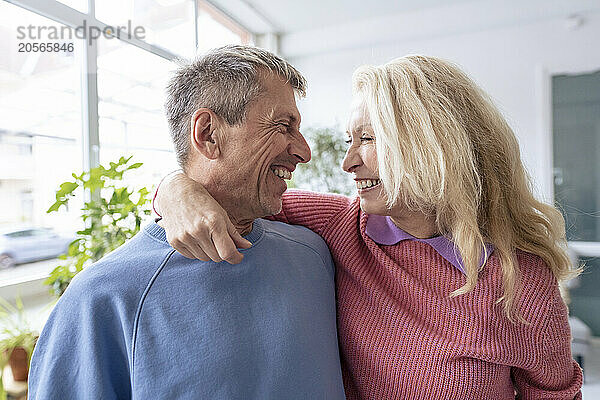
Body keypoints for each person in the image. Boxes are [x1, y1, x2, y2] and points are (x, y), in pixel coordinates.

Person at [155, 55, 584, 399]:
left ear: (433, 143)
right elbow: (236, 194)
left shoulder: (522, 281)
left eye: (368, 139)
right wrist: (173, 189)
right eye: (348, 141)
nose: (348, 163)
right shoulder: (341, 225)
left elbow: (556, 392)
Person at [28, 45, 346, 400]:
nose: (305, 151)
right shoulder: (100, 299)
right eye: (284, 127)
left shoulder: (315, 254)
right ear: (208, 134)